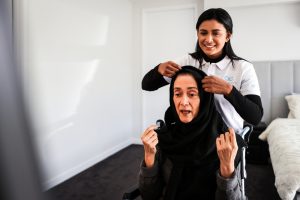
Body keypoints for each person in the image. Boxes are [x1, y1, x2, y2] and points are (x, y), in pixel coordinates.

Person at [141, 8, 263, 134]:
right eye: (203, 33)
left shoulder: (243, 68)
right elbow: (146, 85)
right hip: (190, 139)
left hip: (227, 141)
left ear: (227, 36)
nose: (208, 39)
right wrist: (159, 69)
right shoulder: (186, 62)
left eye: (216, 33)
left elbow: (255, 117)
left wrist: (229, 91)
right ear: (197, 34)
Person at [139, 66, 244, 200]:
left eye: (192, 94)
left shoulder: (228, 144)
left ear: (204, 99)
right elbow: (149, 196)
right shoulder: (163, 138)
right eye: (177, 94)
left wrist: (227, 168)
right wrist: (149, 158)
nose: (183, 102)